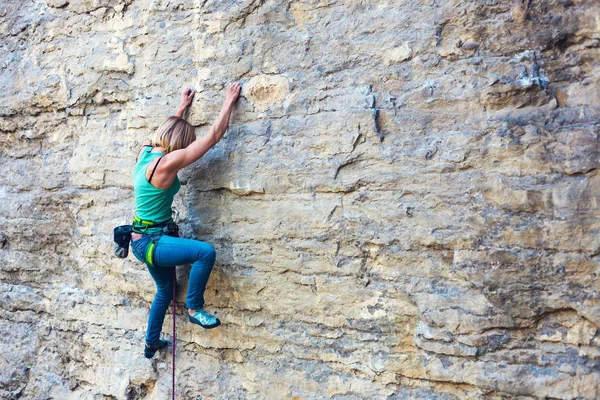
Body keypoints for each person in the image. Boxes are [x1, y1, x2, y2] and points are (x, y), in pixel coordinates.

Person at [130, 82, 241, 358]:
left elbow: (168, 133)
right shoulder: (166, 165)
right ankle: (194, 308)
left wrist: (182, 108)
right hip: (154, 243)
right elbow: (213, 138)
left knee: (165, 290)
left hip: (139, 239)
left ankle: (151, 343)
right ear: (179, 145)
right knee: (205, 253)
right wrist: (228, 101)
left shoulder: (145, 152)